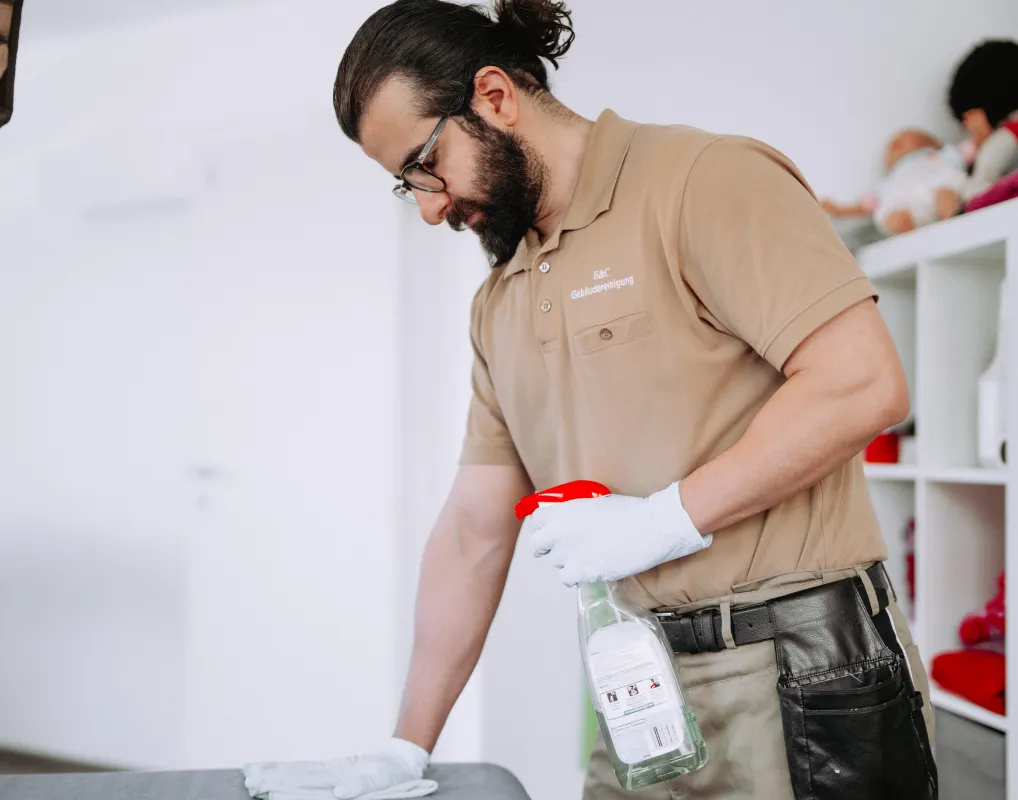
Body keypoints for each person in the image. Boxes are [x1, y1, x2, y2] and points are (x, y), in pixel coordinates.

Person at [243, 2, 938, 799]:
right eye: (408, 188)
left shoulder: (702, 181)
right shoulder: (499, 301)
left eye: (425, 166)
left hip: (800, 673)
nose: (431, 206)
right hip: (639, 688)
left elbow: (861, 381)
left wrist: (663, 520)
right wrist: (407, 746)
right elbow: (474, 530)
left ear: (495, 97)